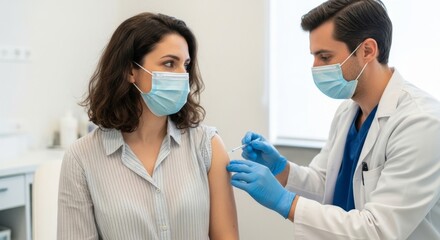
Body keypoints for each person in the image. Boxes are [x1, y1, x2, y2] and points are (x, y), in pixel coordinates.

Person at [226, 0, 440, 239]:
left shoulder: (421, 122)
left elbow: (378, 229)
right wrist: (282, 169)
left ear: (368, 50)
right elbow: (325, 182)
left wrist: (286, 202)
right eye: (314, 56)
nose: (314, 67)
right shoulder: (348, 111)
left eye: (325, 57)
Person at [57, 12, 239, 240]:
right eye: (169, 64)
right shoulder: (81, 158)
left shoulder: (207, 146)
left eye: (186, 65)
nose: (183, 76)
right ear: (130, 71)